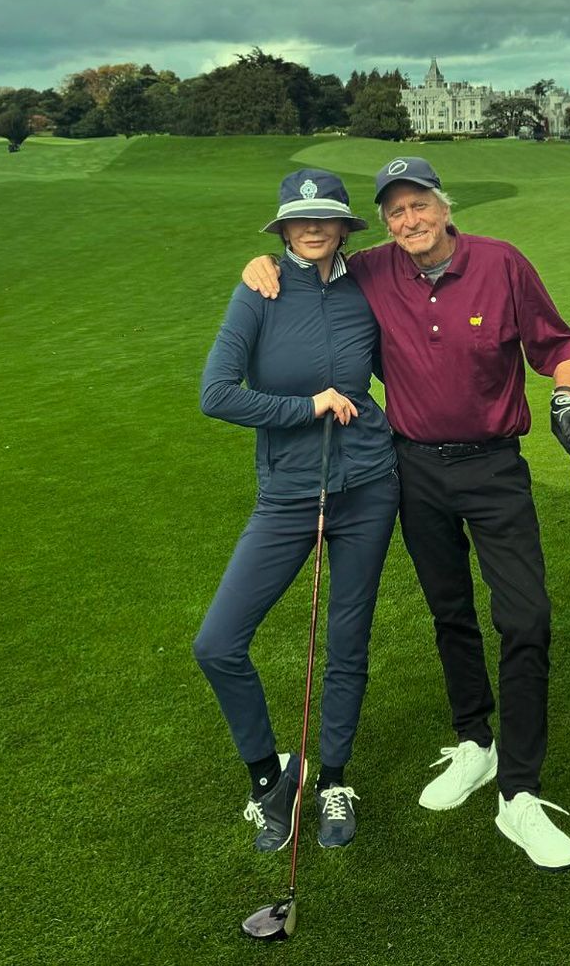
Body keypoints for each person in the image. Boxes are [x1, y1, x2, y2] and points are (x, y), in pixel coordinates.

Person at [241, 156, 570, 871]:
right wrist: (259, 264)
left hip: (494, 467)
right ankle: (476, 744)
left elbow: (558, 344)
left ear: (442, 204)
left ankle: (519, 793)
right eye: (395, 211)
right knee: (450, 611)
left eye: (418, 205)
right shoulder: (373, 268)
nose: (409, 221)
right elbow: (314, 254)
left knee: (526, 618)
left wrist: (565, 396)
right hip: (415, 469)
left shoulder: (501, 263)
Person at [194, 169, 399, 852]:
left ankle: (334, 777)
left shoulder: (368, 283)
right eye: (300, 219)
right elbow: (217, 394)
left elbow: (430, 249)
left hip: (369, 486)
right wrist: (306, 407)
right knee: (218, 643)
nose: (314, 229)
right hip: (287, 494)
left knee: (348, 641)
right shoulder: (258, 291)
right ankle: (269, 779)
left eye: (327, 218)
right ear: (282, 228)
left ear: (344, 226)